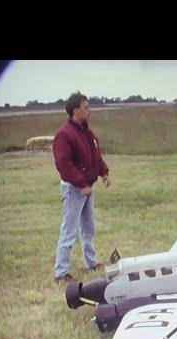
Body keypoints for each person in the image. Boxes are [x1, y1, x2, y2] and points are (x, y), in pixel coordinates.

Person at [53, 92, 111, 283]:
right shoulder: (64, 134)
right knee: (69, 231)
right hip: (73, 190)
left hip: (87, 189)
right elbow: (64, 164)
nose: (89, 110)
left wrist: (104, 173)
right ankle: (60, 273)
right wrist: (81, 184)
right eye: (86, 107)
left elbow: (96, 156)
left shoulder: (88, 132)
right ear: (75, 110)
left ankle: (90, 262)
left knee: (88, 228)